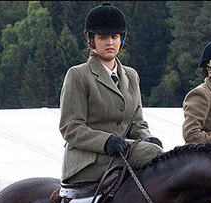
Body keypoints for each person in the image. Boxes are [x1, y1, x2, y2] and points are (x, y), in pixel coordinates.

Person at [58, 2, 163, 186]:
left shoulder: (131, 75)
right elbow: (71, 128)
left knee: (156, 152)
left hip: (123, 153)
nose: (110, 42)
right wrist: (106, 142)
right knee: (152, 155)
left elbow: (137, 123)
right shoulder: (78, 75)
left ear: (122, 39)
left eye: (114, 37)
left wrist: (148, 138)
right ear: (92, 40)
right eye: (103, 37)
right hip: (88, 161)